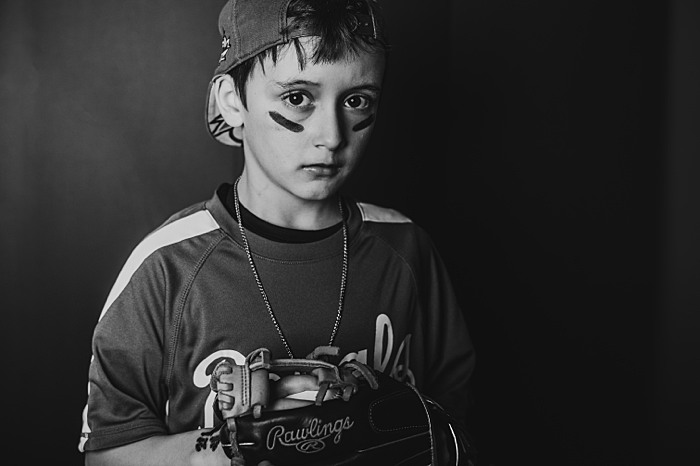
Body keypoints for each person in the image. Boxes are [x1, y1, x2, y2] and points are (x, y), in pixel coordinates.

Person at [78, 0, 476, 464]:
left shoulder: (407, 248)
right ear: (233, 100)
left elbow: (456, 430)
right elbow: (105, 455)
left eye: (356, 100)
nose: (331, 135)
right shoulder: (166, 267)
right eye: (297, 97)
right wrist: (237, 446)